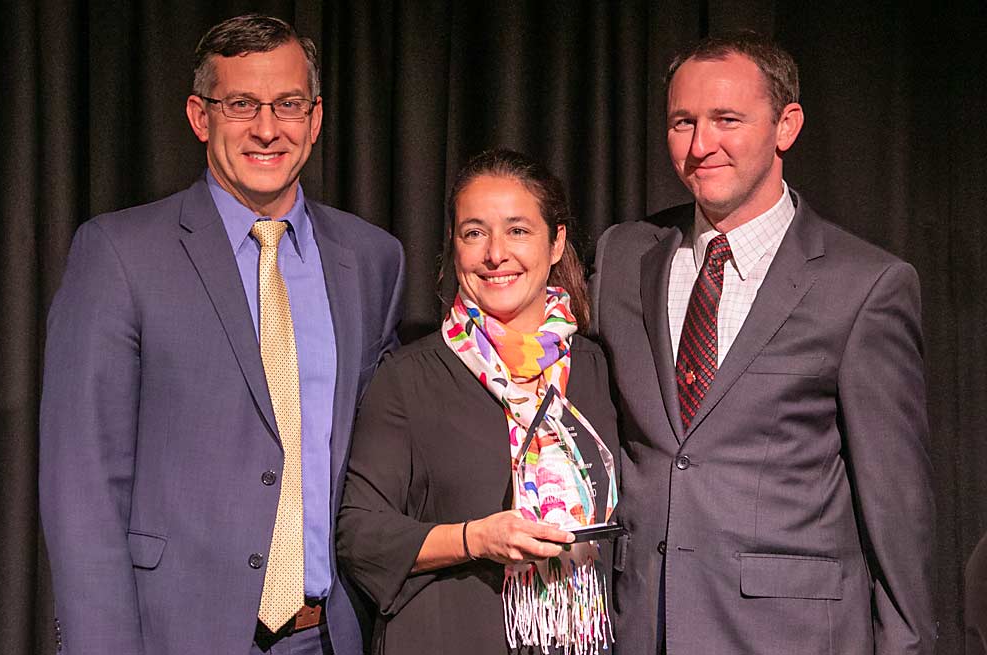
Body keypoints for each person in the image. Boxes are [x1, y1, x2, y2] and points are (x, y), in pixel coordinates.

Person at [38, 14, 404, 655]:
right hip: (177, 637)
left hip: (332, 636)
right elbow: (83, 486)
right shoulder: (119, 254)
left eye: (288, 104)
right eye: (241, 105)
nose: (268, 129)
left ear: (315, 119)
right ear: (200, 116)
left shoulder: (371, 260)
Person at [590, 31, 936, 654]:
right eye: (682, 122)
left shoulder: (865, 286)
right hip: (641, 628)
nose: (702, 145)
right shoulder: (624, 255)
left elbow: (898, 512)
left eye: (727, 119)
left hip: (789, 635)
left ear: (786, 125)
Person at [337, 148, 619, 655]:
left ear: (556, 243)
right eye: (474, 233)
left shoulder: (596, 368)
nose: (495, 254)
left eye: (518, 230)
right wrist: (475, 539)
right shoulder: (408, 379)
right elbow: (358, 533)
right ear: (454, 245)